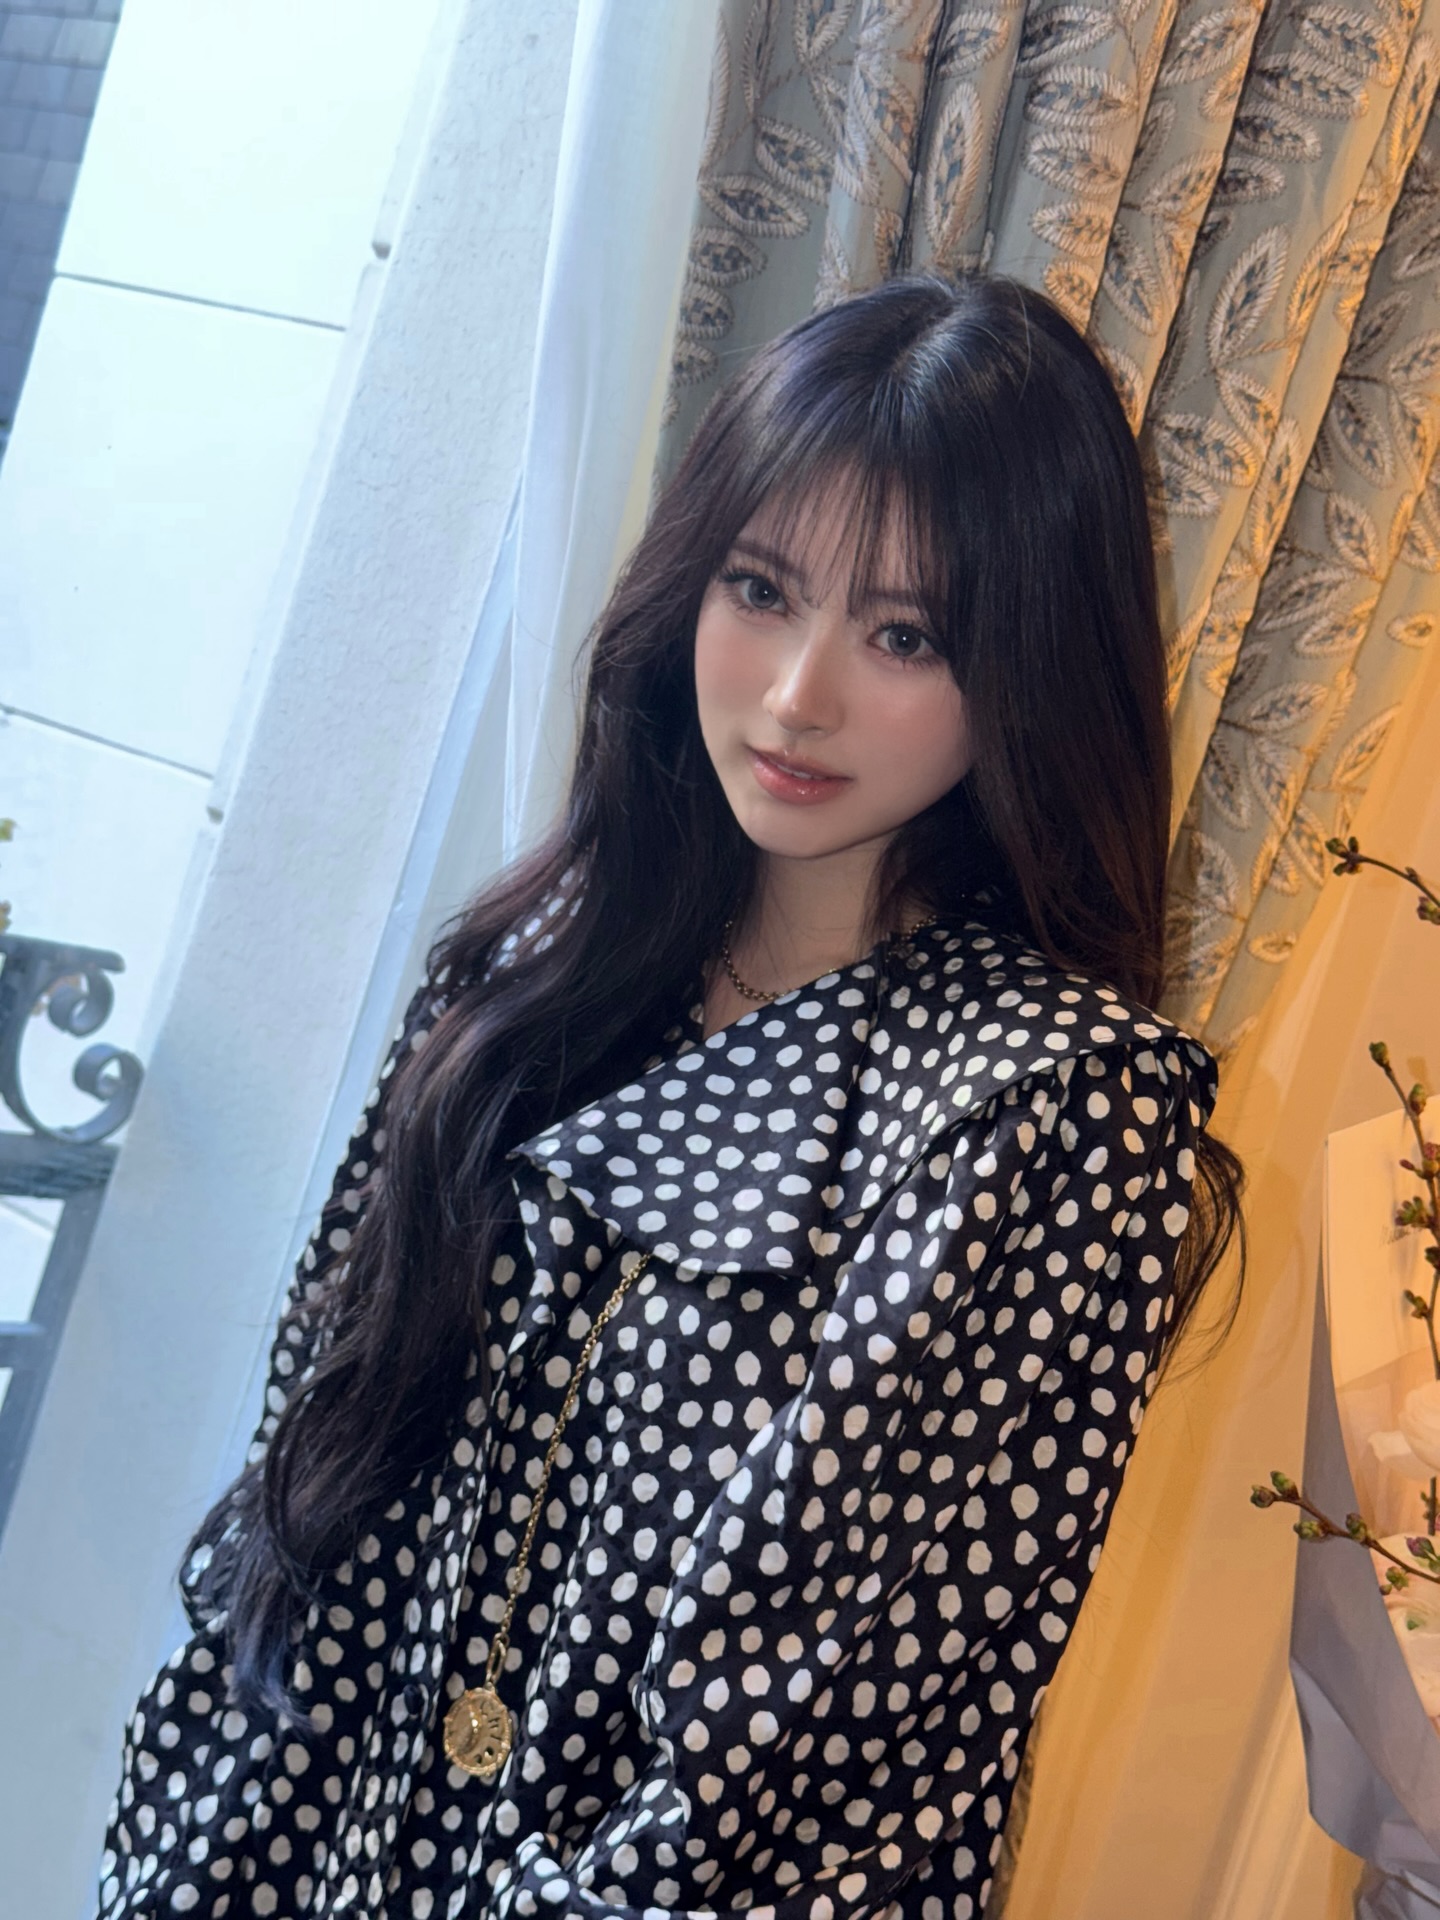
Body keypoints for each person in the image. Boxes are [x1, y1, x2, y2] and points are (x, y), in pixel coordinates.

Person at [97, 272, 1243, 1920]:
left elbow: (811, 1769)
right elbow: (302, 1523)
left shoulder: (1050, 1118)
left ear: (1030, 668)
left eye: (904, 636)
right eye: (759, 590)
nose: (796, 696)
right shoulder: (532, 980)